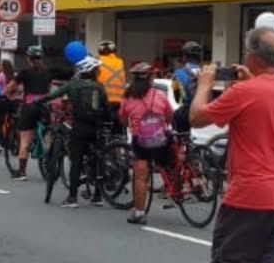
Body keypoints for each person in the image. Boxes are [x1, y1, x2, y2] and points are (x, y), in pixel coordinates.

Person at [190, 27, 274, 263]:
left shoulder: (244, 93)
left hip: (251, 194)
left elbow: (196, 117)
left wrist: (205, 85)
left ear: (252, 56)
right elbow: (267, 105)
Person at [40, 55, 109, 208]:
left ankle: (72, 198)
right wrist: (107, 122)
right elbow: (106, 107)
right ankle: (98, 196)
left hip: (80, 126)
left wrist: (41, 99)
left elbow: (54, 95)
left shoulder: (73, 85)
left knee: (76, 160)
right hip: (96, 127)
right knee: (97, 159)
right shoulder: (99, 86)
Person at [119, 62, 175, 223]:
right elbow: (170, 116)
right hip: (161, 139)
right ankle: (178, 188)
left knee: (140, 177)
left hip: (141, 141)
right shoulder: (160, 95)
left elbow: (123, 119)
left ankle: (139, 212)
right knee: (173, 161)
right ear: (151, 79)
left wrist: (130, 125)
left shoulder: (128, 97)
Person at [8, 46, 52, 181]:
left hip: (29, 106)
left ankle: (22, 172)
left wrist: (5, 95)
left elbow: (11, 87)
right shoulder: (48, 72)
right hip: (44, 107)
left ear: (29, 59)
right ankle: (50, 161)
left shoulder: (25, 72)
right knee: (48, 135)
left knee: (25, 140)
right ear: (41, 58)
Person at [96, 40, 127, 117]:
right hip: (119, 100)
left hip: (103, 99)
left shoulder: (97, 62)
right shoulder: (120, 62)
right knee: (118, 124)